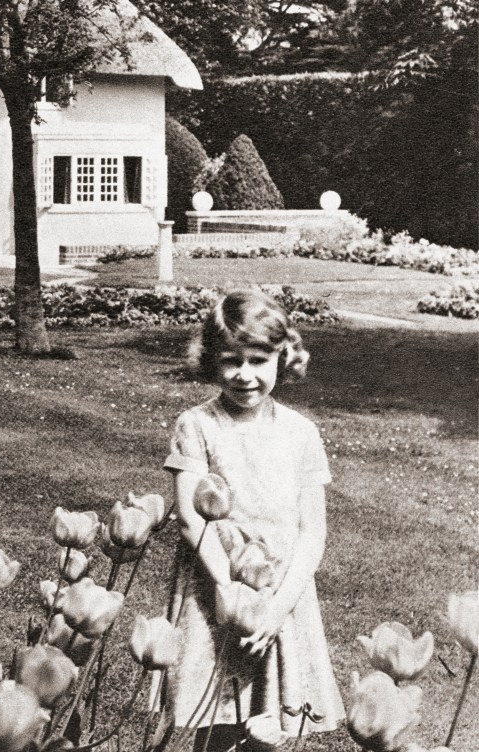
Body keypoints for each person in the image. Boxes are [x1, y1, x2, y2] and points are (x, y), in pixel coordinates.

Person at [163, 290, 344, 751]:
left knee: (271, 720)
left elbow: (312, 532)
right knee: (215, 711)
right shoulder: (197, 425)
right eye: (231, 361)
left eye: (259, 360)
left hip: (281, 591)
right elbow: (190, 518)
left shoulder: (301, 433)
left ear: (282, 359)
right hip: (215, 582)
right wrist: (228, 588)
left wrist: (280, 605)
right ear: (211, 361)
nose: (245, 375)